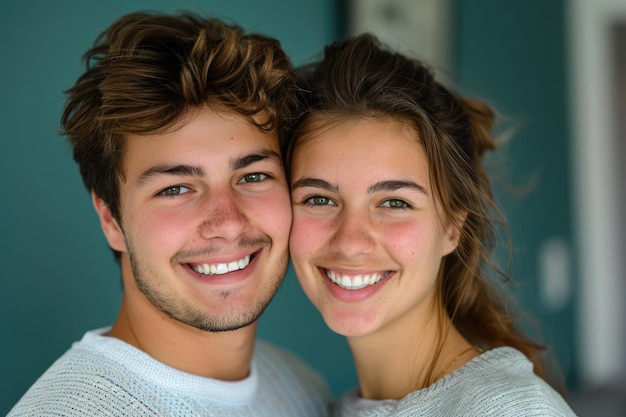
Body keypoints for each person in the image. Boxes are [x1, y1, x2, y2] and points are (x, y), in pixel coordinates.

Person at [8, 11, 331, 416]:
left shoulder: (302, 387)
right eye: (175, 188)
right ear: (111, 220)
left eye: (252, 176)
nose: (227, 221)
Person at [287, 33, 577, 416]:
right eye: (319, 199)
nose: (350, 241)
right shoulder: (335, 407)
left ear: (452, 228)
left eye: (394, 202)